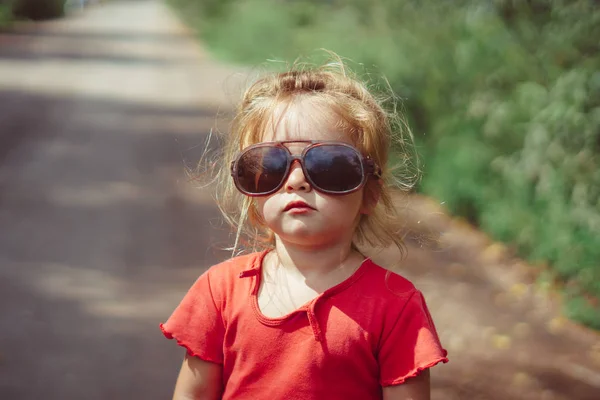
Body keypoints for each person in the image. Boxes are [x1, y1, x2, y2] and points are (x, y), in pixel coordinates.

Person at [160, 55, 448, 400]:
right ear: (251, 190)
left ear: (369, 192)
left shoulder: (396, 306)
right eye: (270, 166)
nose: (296, 181)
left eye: (328, 164)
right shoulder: (218, 292)